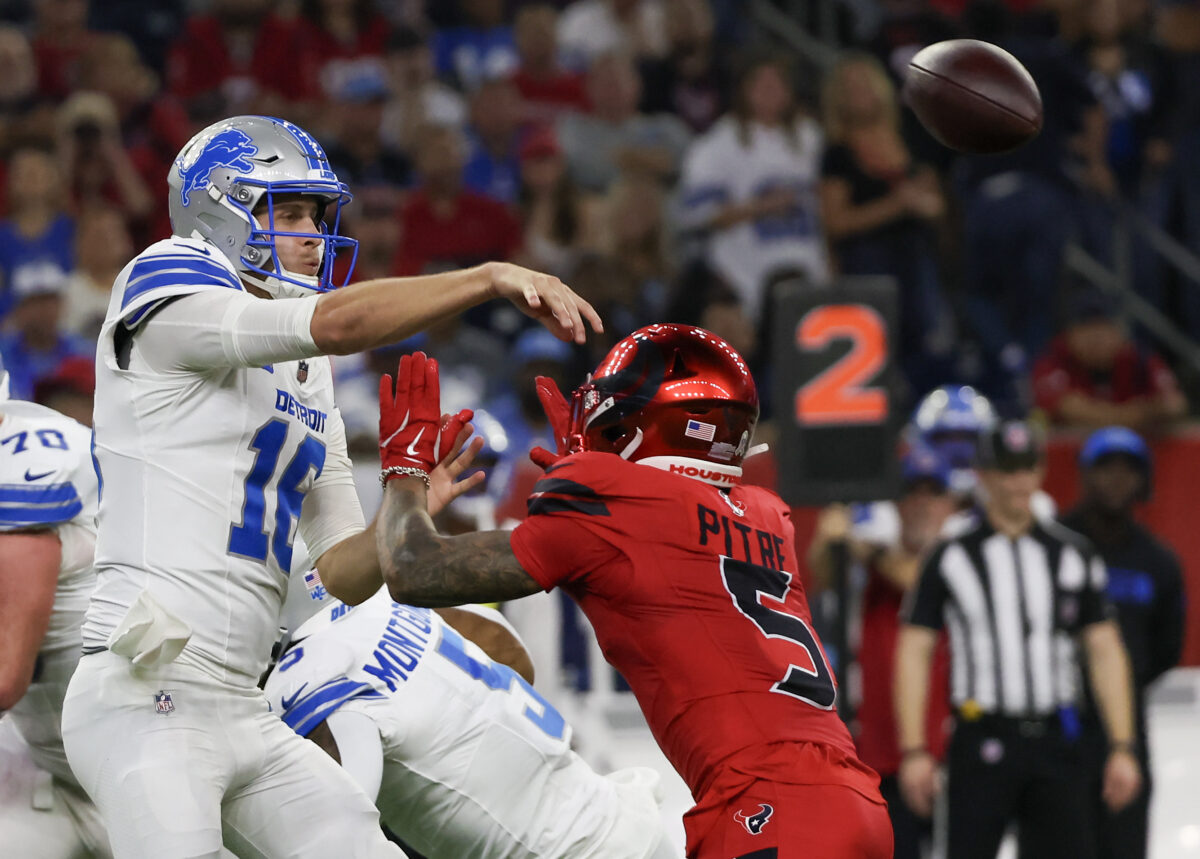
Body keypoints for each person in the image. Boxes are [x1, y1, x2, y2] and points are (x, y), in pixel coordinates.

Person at [59, 114, 600, 858]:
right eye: (288, 211)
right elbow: (340, 323)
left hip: (242, 703)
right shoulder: (166, 275)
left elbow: (335, 576)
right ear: (219, 209)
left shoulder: (306, 371)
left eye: (316, 213)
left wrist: (405, 503)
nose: (312, 232)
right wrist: (487, 276)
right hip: (144, 689)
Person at [373, 327, 893, 859]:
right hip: (856, 800)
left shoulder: (614, 504)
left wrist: (403, 473)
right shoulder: (766, 514)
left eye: (609, 425)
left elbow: (411, 569)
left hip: (765, 805)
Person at [263, 588, 675, 858]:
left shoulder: (306, 683)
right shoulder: (378, 603)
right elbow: (513, 657)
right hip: (621, 816)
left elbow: (338, 835)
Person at [895, 419, 1142, 859]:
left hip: (1057, 739)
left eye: (1026, 468)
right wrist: (914, 750)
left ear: (1041, 471)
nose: (1018, 482)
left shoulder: (1072, 554)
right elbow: (914, 649)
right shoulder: (951, 556)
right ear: (983, 475)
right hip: (981, 735)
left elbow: (1105, 649)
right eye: (1006, 470)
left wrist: (1122, 745)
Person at [807, 444, 957, 859]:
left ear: (950, 502)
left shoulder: (964, 558)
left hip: (954, 749)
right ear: (897, 502)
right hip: (880, 752)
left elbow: (920, 581)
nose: (922, 503)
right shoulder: (868, 572)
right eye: (912, 492)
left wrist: (865, 550)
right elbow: (821, 571)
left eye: (933, 492)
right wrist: (831, 538)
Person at [0, 355, 110, 858]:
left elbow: (4, 677)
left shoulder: (23, 478)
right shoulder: (35, 427)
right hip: (47, 753)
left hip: (134, 753)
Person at [1060, 426, 1186, 859]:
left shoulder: (1158, 561)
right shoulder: (1055, 547)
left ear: (1143, 480)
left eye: (1127, 469)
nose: (1116, 479)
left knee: (1125, 844)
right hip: (1056, 726)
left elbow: (1167, 647)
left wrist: (1123, 689)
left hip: (1128, 730)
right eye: (1105, 468)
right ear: (1085, 475)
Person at [1032, 290, 1187, 433]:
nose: (1095, 339)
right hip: (1071, 457)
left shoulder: (1138, 359)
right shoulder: (1054, 359)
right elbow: (1067, 408)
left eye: (1103, 328)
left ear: (1119, 333)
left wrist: (1118, 416)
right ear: (1069, 334)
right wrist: (1140, 412)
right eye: (1086, 328)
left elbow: (1175, 404)